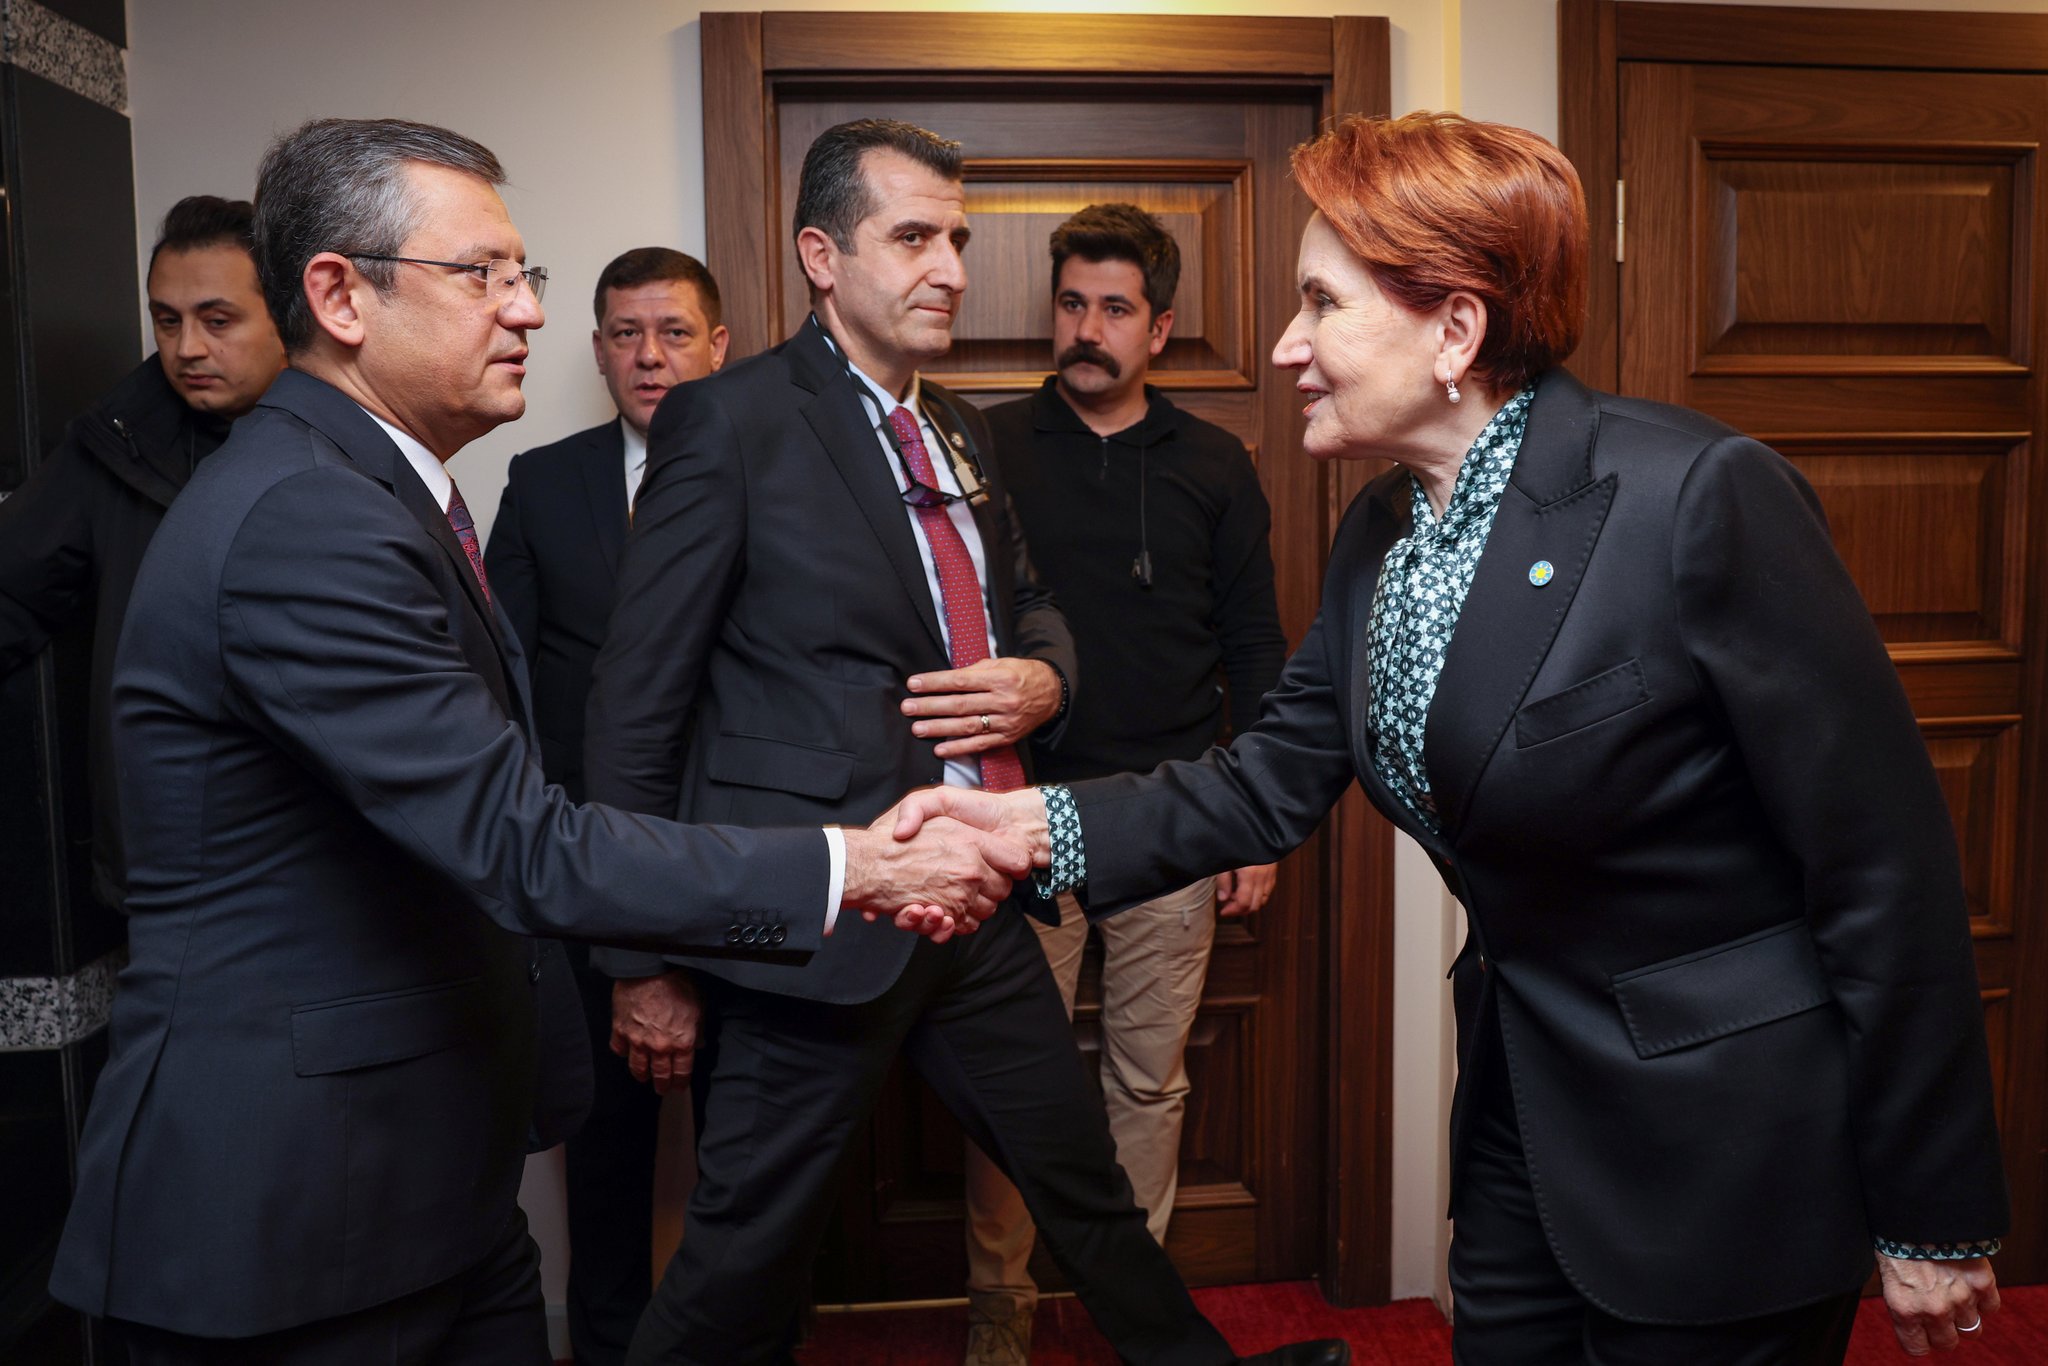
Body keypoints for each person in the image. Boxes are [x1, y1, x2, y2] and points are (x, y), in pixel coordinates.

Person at [894, 111, 2010, 1364]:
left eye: (1320, 304)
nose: (1285, 347)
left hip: (1720, 1146)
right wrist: (1022, 825)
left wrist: (1932, 1205)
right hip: (1521, 1117)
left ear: (1454, 330)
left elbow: (1883, 867)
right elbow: (1262, 781)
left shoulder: (1694, 498)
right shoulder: (1383, 531)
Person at [45, 116, 1024, 1365]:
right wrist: (852, 866)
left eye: (527, 277)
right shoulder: (304, 517)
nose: (527, 313)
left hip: (424, 1182)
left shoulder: (376, 490)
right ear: (339, 294)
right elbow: (522, 841)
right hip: (287, 1225)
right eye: (484, 275)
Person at [582, 118, 1345, 1366]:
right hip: (819, 917)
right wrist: (638, 958)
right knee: (737, 1256)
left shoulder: (959, 429)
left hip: (975, 899)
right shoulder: (725, 425)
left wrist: (1043, 673)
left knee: (1081, 1187)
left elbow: (1029, 599)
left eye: (958, 240)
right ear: (821, 256)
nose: (949, 268)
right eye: (914, 238)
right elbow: (633, 705)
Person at [961, 202, 1288, 1365]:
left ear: (1160, 325)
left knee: (1148, 1084)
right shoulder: (983, 446)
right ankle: (998, 1307)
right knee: (1012, 1087)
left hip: (1174, 823)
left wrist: (1256, 823)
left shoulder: (1213, 464)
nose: (1085, 329)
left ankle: (1133, 1318)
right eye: (1069, 304)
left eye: (1112, 308)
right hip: (1019, 822)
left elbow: (1255, 648)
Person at [484, 244, 731, 1366]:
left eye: (674, 331)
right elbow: (501, 680)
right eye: (626, 334)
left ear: (717, 345)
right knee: (606, 1148)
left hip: (744, 861)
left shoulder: (770, 473)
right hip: (586, 866)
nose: (650, 355)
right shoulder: (542, 481)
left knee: (752, 1147)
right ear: (595, 350)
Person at [0, 194, 285, 908]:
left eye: (217, 321)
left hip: (320, 873)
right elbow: (11, 587)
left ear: (289, 313)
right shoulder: (115, 444)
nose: (187, 347)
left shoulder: (358, 442)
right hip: (167, 871)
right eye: (167, 320)